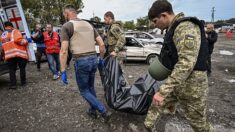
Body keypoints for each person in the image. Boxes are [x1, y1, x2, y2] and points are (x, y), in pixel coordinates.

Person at [135, 0, 213, 132]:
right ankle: (147, 127)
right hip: (178, 83)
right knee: (157, 103)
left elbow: (186, 63)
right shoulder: (173, 28)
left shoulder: (185, 27)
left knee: (199, 125)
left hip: (192, 87)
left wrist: (164, 90)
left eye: (155, 21)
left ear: (164, 15)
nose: (155, 25)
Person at [59, 5, 111, 121]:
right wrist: (101, 59)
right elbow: (102, 44)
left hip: (81, 60)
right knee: (90, 87)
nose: (65, 17)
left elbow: (63, 51)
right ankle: (92, 110)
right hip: (93, 59)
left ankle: (102, 110)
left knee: (83, 90)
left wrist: (63, 70)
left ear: (67, 14)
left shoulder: (67, 26)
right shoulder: (89, 25)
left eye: (64, 15)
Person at [0, 21, 28, 89]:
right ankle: (23, 82)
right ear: (12, 25)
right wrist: (25, 41)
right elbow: (18, 40)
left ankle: (13, 85)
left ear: (5, 26)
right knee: (22, 68)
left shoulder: (3, 34)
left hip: (9, 55)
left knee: (12, 70)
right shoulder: (15, 31)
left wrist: (3, 55)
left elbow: (2, 46)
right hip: (18, 53)